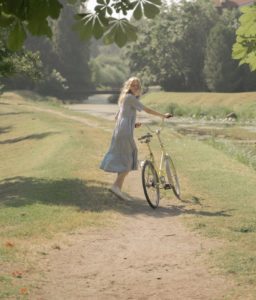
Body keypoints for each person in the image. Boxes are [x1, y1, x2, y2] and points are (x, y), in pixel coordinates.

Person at [100, 77, 172, 200]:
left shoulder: (123, 98)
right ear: (128, 86)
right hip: (124, 133)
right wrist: (163, 116)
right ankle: (115, 187)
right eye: (133, 85)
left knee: (125, 157)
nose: (136, 87)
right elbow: (147, 110)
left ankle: (118, 189)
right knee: (129, 158)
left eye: (137, 86)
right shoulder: (130, 98)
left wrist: (132, 124)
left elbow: (118, 117)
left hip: (120, 132)